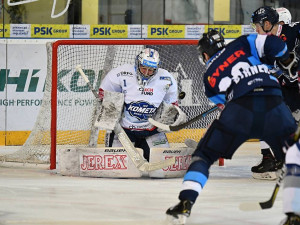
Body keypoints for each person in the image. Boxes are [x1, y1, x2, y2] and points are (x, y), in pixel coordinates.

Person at [165, 30, 300, 225]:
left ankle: (185, 203)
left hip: (239, 110)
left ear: (205, 55)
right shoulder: (244, 42)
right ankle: (294, 214)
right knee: (294, 156)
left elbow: (224, 103)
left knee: (203, 156)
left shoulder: (209, 78)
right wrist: (286, 60)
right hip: (274, 105)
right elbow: (277, 46)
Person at [98, 48, 182, 162]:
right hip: (122, 131)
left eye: (151, 70)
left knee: (163, 167)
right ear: (138, 63)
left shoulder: (166, 79)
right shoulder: (120, 74)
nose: (147, 73)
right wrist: (108, 104)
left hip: (151, 132)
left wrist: (171, 118)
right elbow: (104, 96)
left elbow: (171, 105)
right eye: (144, 68)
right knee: (117, 167)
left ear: (157, 68)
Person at [250, 6, 300, 180]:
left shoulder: (293, 31)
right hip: (287, 89)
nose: (255, 29)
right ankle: (269, 158)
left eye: (257, 25)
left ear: (267, 23)